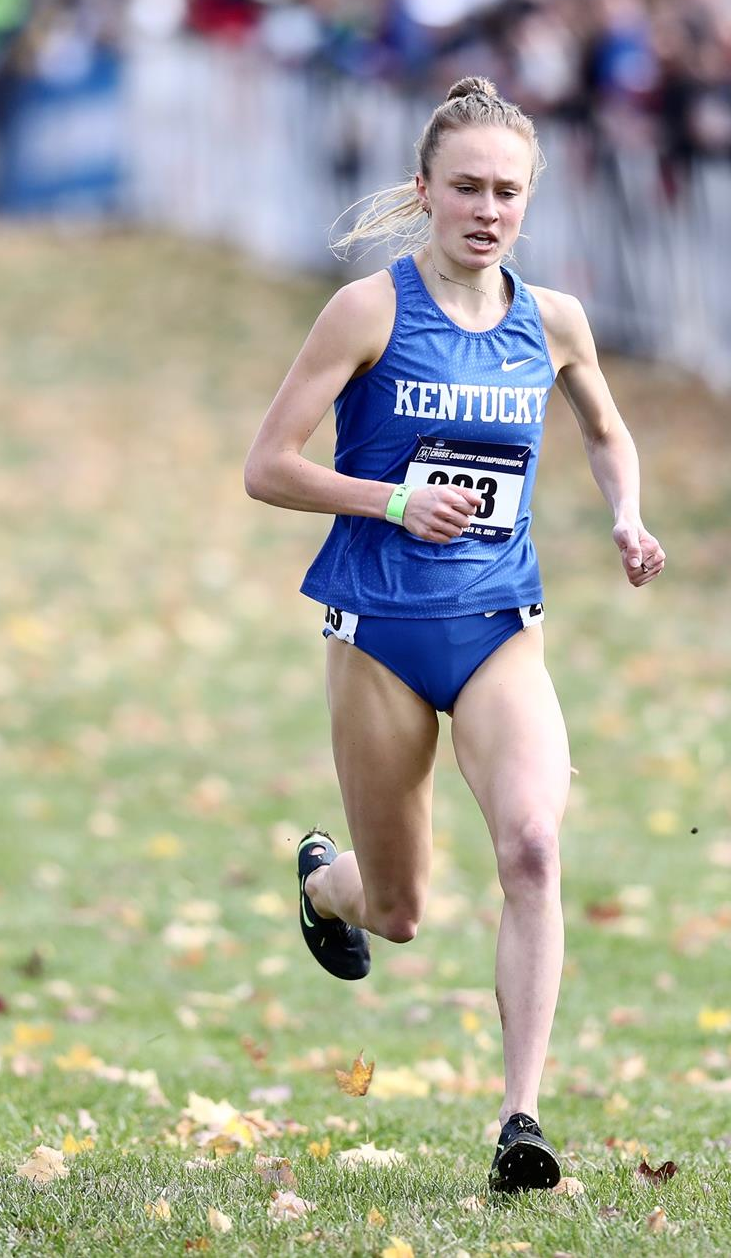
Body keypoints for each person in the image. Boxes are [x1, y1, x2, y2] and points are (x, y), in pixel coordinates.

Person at [242, 77, 666, 1193]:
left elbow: (608, 434)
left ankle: (519, 1119)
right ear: (423, 191)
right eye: (466, 187)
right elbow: (266, 466)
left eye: (507, 192)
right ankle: (325, 880)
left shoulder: (553, 320)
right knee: (396, 911)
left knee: (531, 844)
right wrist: (387, 501)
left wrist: (624, 515)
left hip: (494, 625)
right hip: (378, 627)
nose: (486, 209)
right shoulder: (366, 311)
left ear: (530, 200)